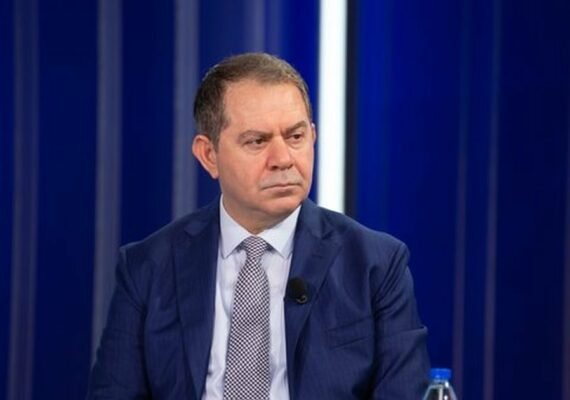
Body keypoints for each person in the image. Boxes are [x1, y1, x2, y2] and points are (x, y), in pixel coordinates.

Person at [87, 52, 430, 399]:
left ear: (312, 136)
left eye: (295, 136)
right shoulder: (147, 267)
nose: (283, 159)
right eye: (257, 141)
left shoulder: (376, 265)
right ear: (209, 155)